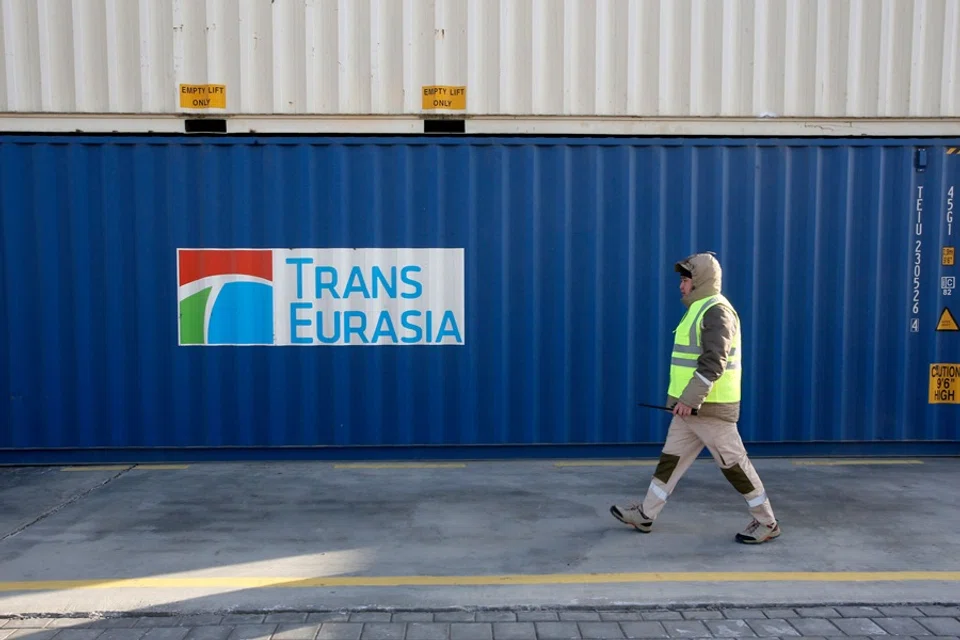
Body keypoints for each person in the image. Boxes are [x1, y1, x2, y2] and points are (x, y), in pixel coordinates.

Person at [610, 252, 781, 544]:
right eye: (681, 279)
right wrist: (683, 402)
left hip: (710, 410)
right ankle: (646, 514)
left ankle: (767, 522)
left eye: (686, 279)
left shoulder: (716, 311)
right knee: (670, 461)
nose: (681, 285)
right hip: (688, 410)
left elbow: (714, 362)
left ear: (700, 280)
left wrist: (689, 400)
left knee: (734, 466)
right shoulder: (698, 309)